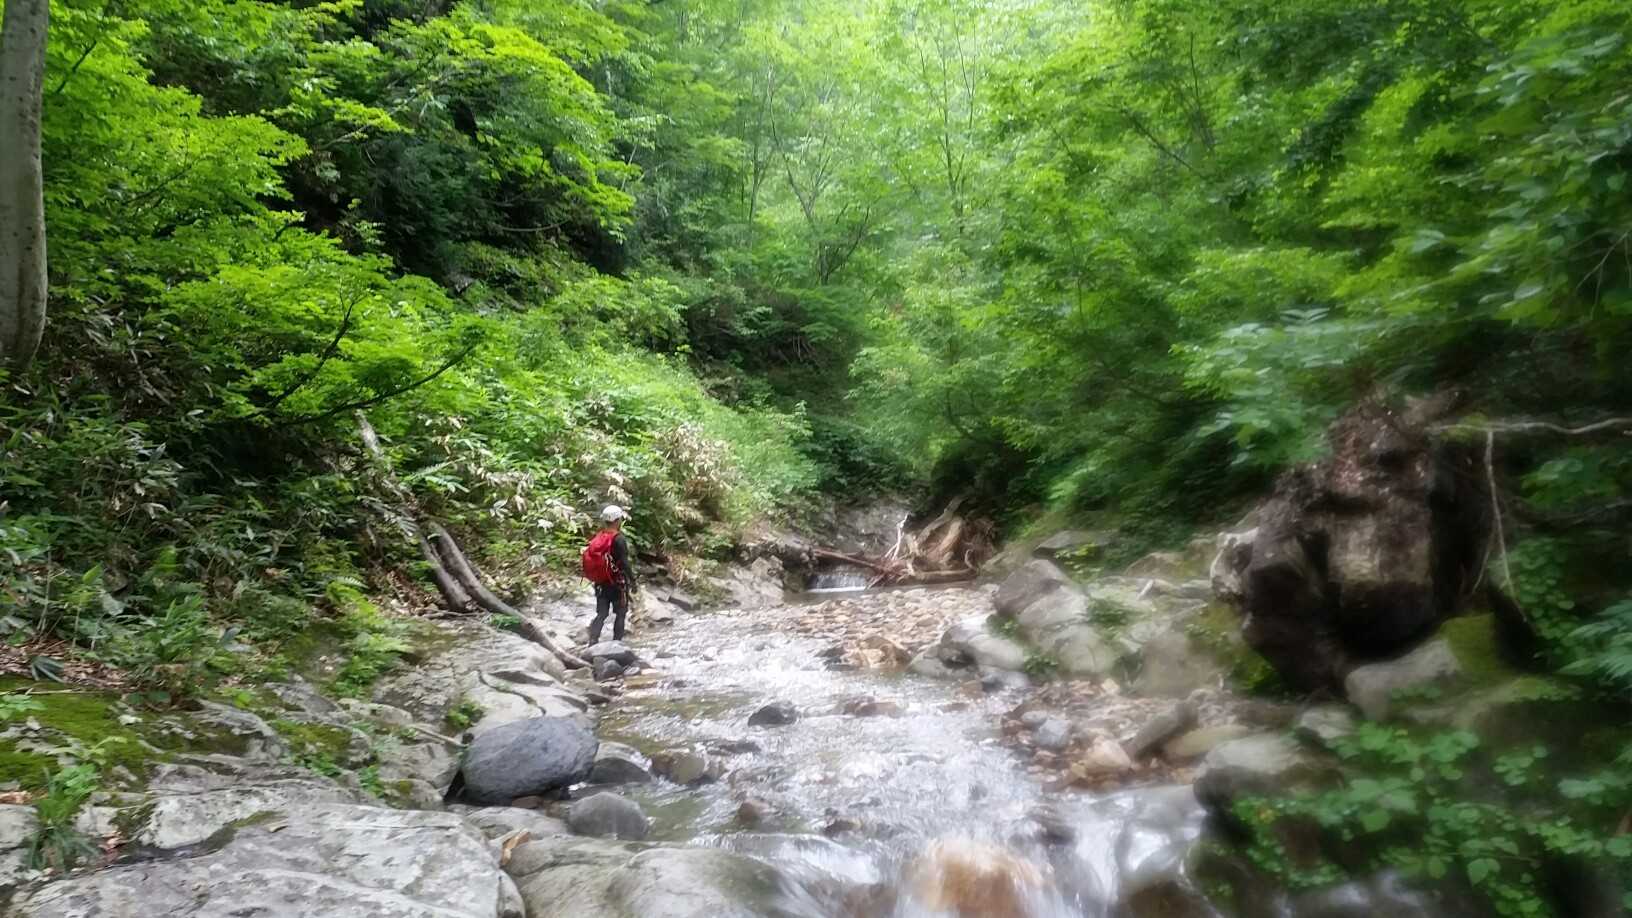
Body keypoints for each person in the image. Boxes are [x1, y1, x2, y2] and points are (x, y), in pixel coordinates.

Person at [583, 504, 637, 643]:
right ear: (617, 520)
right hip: (617, 583)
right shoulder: (619, 539)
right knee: (620, 613)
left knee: (601, 614)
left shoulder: (599, 537)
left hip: (601, 583)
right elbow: (624, 562)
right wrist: (633, 581)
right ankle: (617, 643)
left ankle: (593, 641)